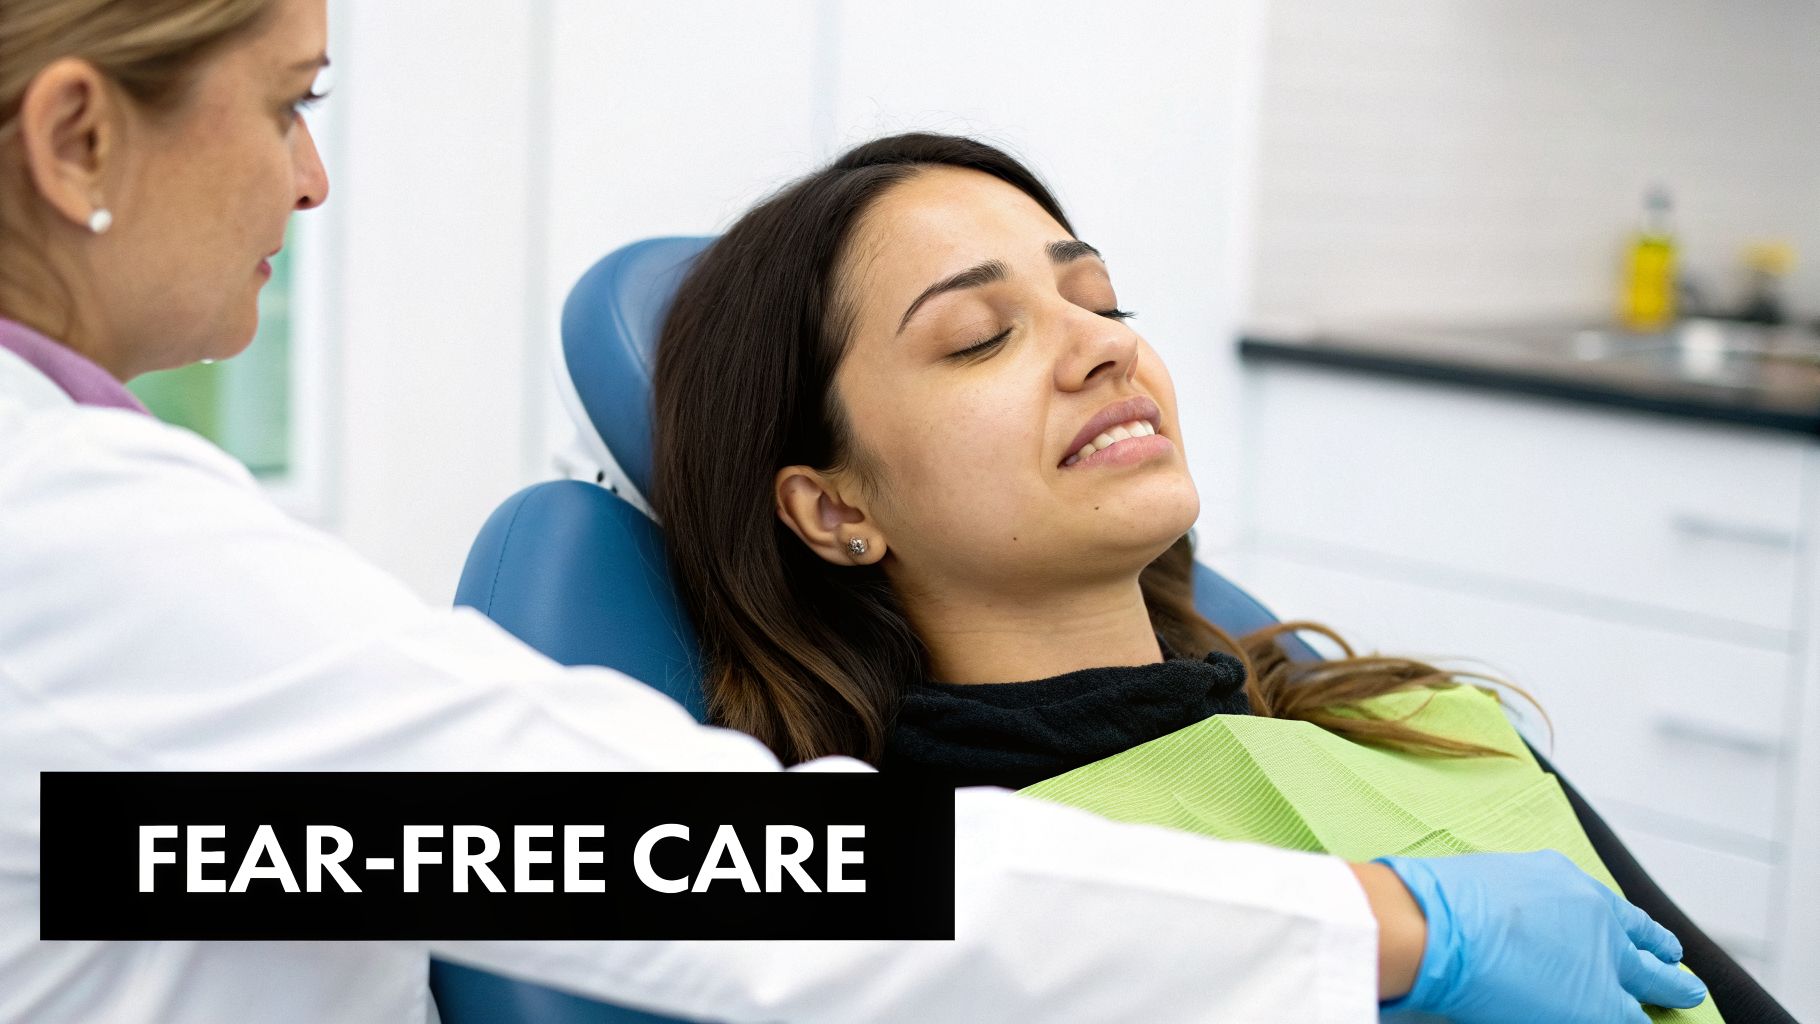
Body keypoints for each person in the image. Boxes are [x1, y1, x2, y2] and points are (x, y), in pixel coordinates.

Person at [0, 1, 1707, 1020]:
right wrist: (1393, 925)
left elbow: (293, 843)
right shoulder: (70, 549)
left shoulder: (1438, 728)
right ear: (79, 136)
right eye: (293, 99)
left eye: (1097, 291)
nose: (313, 174)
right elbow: (694, 870)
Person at [652, 133, 1791, 1022]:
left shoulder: (1418, 723)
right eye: (978, 337)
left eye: (1097, 301)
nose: (1106, 347)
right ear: (836, 507)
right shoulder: (905, 917)